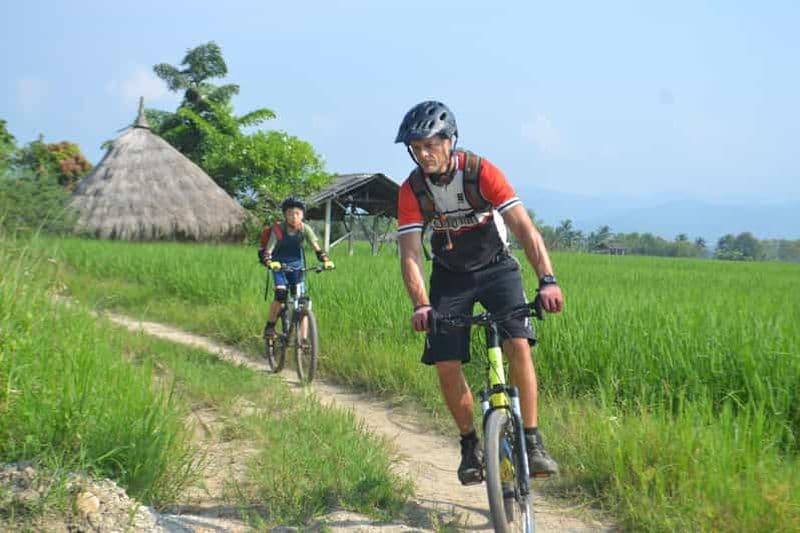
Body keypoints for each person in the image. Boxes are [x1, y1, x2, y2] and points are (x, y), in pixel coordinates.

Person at [395, 101, 564, 485]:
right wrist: (421, 304)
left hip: (496, 268)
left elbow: (523, 228)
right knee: (446, 361)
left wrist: (548, 279)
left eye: (430, 145)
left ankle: (533, 441)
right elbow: (409, 255)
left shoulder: (480, 172)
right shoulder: (412, 190)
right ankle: (470, 444)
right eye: (415, 148)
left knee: (518, 344)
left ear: (449, 140)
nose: (423, 154)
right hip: (450, 276)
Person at [258, 196, 334, 336]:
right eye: (290, 213)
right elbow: (268, 251)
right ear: (285, 215)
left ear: (302, 215)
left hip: (297, 268)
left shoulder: (305, 229)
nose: (294, 217)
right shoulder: (278, 230)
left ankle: (303, 340)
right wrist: (269, 262)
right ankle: (270, 326)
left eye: (297, 213)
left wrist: (325, 260)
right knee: (280, 294)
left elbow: (317, 248)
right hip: (279, 267)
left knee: (302, 303)